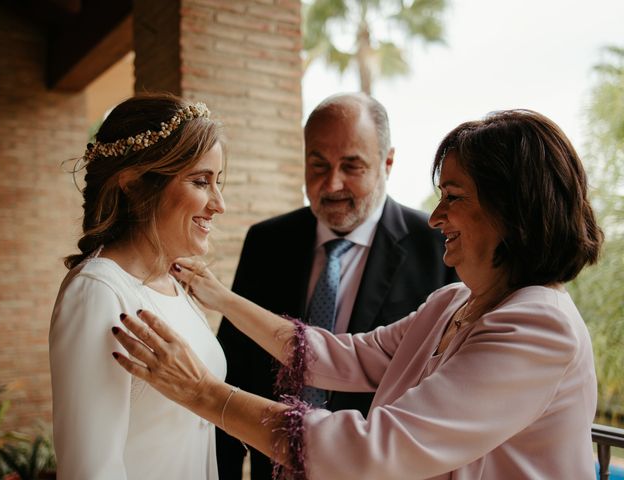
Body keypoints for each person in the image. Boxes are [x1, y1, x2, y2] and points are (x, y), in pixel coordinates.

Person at [111, 109, 603, 479]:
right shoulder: (452, 303)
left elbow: (376, 448)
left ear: (513, 212)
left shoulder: (539, 325)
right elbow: (340, 355)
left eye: (452, 198)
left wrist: (201, 392)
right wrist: (218, 296)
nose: (435, 218)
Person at [216, 92, 457, 479]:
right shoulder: (266, 242)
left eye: (351, 166)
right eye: (318, 165)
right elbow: (234, 369)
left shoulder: (439, 248)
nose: (332, 183)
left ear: (387, 163)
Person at [49, 93, 226, 479]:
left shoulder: (174, 284)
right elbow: (91, 470)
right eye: (201, 182)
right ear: (134, 185)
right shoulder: (98, 291)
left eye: (218, 182)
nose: (219, 204)